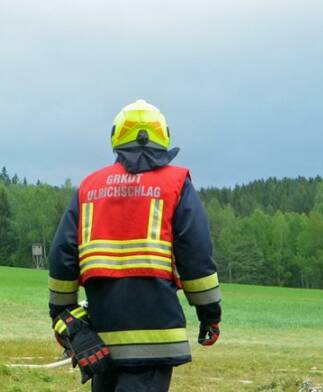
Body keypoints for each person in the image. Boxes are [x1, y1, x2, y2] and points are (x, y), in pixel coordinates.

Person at [48, 100, 221, 390]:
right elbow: (196, 257)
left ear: (117, 138)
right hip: (155, 341)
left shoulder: (89, 187)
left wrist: (68, 320)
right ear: (163, 136)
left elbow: (61, 258)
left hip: (98, 342)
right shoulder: (176, 185)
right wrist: (210, 316)